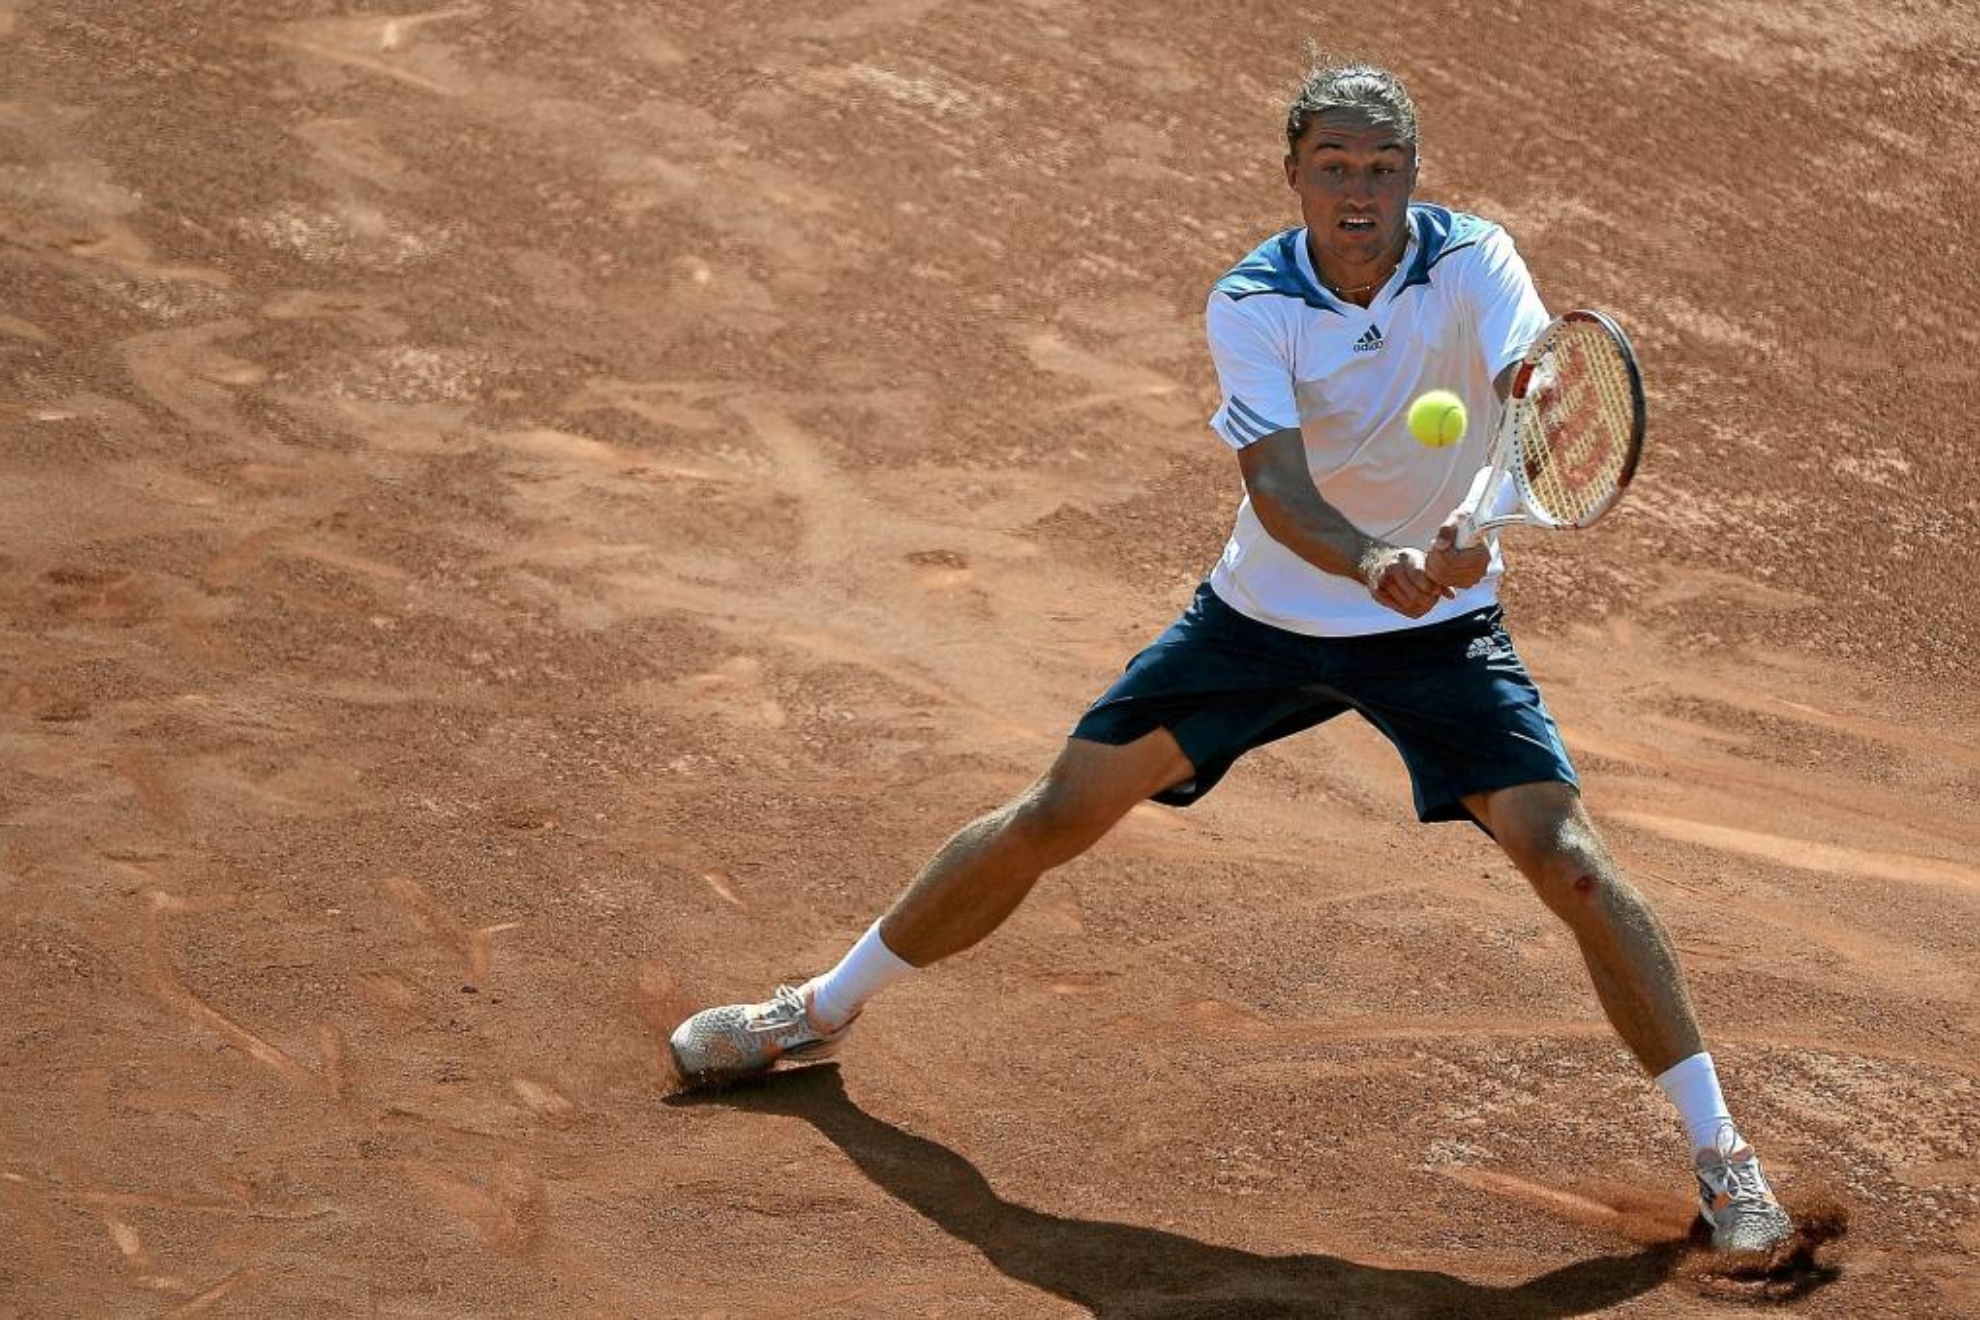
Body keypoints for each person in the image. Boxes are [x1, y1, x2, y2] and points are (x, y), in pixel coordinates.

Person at [670, 59, 1795, 1254]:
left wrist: (1471, 523)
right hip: (1264, 623)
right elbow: (1279, 488)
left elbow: (1535, 389)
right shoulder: (1253, 300)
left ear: (1411, 174)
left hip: (1439, 640)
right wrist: (1372, 563)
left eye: (1383, 167)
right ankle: (817, 1015)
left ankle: (1725, 1160)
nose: (1360, 191)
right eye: (1334, 168)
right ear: (1294, 176)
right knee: (1057, 813)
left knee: (1568, 859)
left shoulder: (1473, 260)